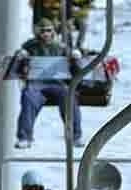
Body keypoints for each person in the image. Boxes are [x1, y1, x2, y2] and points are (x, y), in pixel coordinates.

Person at [13, 19, 84, 149]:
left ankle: (75, 136)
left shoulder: (61, 47)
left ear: (53, 32)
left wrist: (75, 60)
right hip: (36, 84)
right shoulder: (30, 46)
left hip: (58, 83)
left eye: (48, 31)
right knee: (28, 97)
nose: (45, 34)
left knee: (69, 96)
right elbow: (18, 71)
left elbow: (76, 72)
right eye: (42, 31)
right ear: (37, 32)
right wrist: (21, 59)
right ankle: (24, 137)